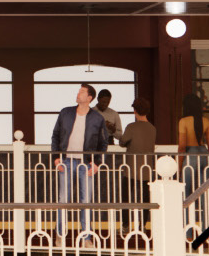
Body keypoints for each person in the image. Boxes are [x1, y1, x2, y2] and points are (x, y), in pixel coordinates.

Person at [49, 82, 110, 235]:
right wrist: (56, 157)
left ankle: (86, 237)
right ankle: (60, 235)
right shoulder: (65, 112)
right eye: (78, 91)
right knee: (63, 200)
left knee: (86, 201)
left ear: (89, 97)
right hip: (66, 161)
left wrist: (96, 163)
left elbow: (103, 143)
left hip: (86, 164)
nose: (78, 93)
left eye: (82, 92)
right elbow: (55, 135)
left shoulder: (97, 118)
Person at [175, 93, 209, 190]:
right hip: (204, 154)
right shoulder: (206, 121)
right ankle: (203, 205)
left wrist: (179, 166)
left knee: (187, 189)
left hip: (191, 154)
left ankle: (186, 206)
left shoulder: (183, 121)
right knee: (204, 189)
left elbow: (182, 147)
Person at [119, 98, 158, 190]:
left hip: (131, 169)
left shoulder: (131, 127)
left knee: (126, 196)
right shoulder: (152, 128)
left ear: (134, 110)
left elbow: (122, 142)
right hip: (146, 169)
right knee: (145, 197)